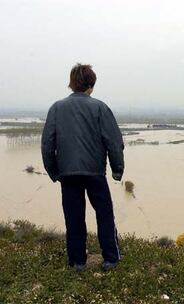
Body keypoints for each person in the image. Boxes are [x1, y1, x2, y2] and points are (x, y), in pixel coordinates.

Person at [41, 63, 125, 272]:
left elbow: (47, 144)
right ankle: (111, 260)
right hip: (95, 172)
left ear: (71, 84)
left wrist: (54, 172)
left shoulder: (56, 108)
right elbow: (114, 142)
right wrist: (117, 169)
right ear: (92, 85)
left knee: (74, 218)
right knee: (104, 215)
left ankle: (77, 262)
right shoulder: (100, 107)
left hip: (67, 173)